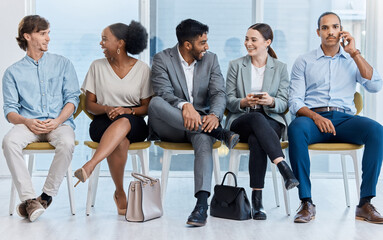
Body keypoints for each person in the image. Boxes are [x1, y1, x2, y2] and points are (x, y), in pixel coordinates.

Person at [288, 12, 383, 224]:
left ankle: (365, 203)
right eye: (325, 28)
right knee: (295, 128)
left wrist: (355, 53)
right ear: (318, 32)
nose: (330, 31)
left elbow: (375, 86)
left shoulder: (352, 59)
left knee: (377, 130)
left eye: (334, 27)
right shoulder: (304, 61)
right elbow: (294, 101)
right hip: (313, 119)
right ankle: (306, 202)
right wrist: (315, 116)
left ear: (341, 30)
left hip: (344, 120)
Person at [148, 19, 239, 227]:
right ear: (187, 45)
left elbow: (218, 93)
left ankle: (201, 205)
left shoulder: (211, 59)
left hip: (201, 125)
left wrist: (215, 115)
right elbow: (163, 92)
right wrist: (184, 105)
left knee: (203, 141)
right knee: (155, 103)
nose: (207, 47)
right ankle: (220, 133)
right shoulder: (162, 59)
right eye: (203, 43)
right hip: (170, 125)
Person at [2, 15, 80, 222]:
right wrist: (27, 122)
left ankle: (45, 197)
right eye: (42, 34)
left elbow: (73, 99)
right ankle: (29, 200)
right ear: (27, 36)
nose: (48, 38)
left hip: (58, 123)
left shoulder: (63, 64)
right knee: (9, 141)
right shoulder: (12, 73)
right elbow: (10, 111)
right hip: (29, 124)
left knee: (67, 142)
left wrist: (58, 120)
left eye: (48, 33)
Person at [74, 21, 151, 215]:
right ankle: (119, 191)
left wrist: (127, 111)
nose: (101, 43)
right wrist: (107, 108)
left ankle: (90, 165)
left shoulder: (142, 69)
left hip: (133, 121)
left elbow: (147, 107)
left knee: (123, 123)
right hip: (102, 121)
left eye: (105, 39)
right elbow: (89, 104)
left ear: (120, 43)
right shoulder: (96, 66)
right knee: (120, 142)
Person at [225, 23, 299, 220]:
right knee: (256, 117)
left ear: (267, 42)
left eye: (253, 40)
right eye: (247, 39)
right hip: (242, 119)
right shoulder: (235, 65)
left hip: (270, 119)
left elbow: (284, 103)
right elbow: (229, 101)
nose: (248, 43)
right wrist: (244, 101)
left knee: (258, 139)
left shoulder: (280, 68)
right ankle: (283, 167)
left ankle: (257, 201)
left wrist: (271, 101)